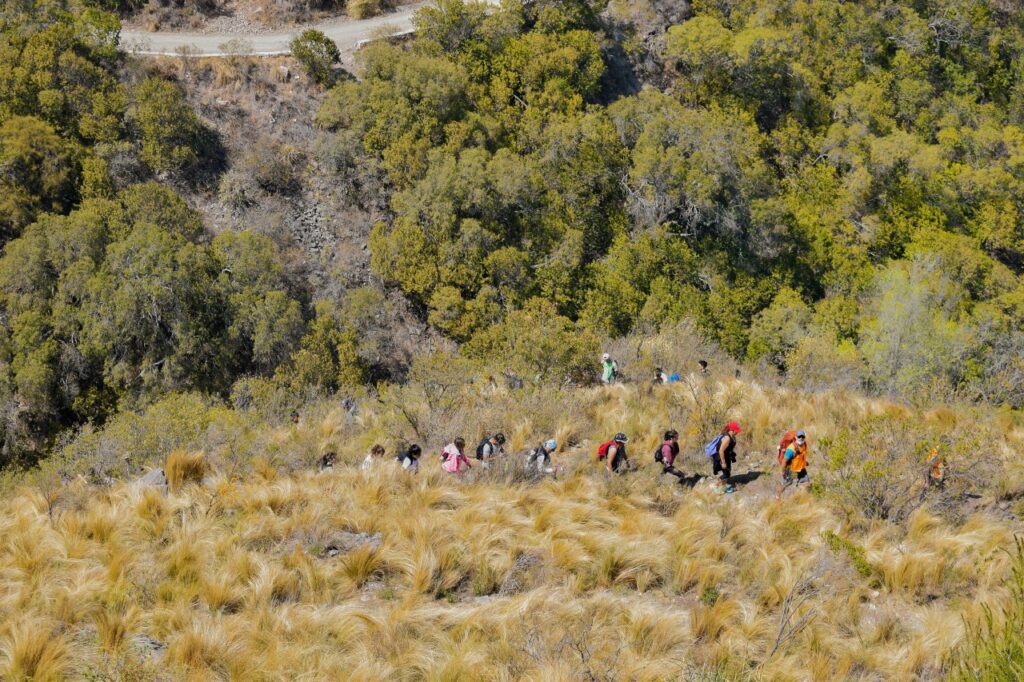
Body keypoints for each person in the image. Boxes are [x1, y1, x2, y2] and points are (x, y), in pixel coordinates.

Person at [706, 422, 739, 493]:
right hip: (721, 458)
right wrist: (723, 463)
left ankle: (723, 487)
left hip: (727, 457)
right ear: (732, 430)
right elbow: (721, 451)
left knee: (727, 473)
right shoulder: (727, 438)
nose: (737, 432)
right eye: (736, 431)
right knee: (726, 474)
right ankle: (715, 486)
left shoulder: (731, 436)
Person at [777, 430, 809, 499]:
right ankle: (777, 498)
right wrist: (783, 471)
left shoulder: (804, 445)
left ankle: (799, 497)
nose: (801, 438)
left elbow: (801, 455)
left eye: (802, 436)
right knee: (785, 484)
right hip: (790, 470)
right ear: (796, 437)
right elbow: (784, 461)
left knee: (807, 483)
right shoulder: (791, 449)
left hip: (801, 468)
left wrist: (805, 462)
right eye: (799, 436)